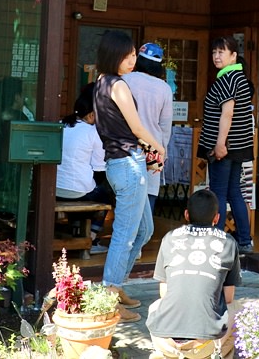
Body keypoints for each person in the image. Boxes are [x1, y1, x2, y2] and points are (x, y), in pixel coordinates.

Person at [92, 30, 167, 322]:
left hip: (121, 163)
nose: (133, 59)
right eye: (128, 55)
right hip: (128, 164)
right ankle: (109, 297)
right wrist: (158, 148)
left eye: (134, 54)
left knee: (144, 231)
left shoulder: (100, 83)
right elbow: (136, 128)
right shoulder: (118, 86)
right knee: (124, 235)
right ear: (114, 56)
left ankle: (117, 285)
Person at [146, 189, 241, 359]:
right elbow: (228, 297)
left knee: (154, 306)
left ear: (186, 215)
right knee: (238, 308)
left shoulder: (169, 238)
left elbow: (164, 293)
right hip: (206, 344)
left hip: (166, 340)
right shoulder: (228, 242)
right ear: (217, 218)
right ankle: (217, 355)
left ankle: (166, 353)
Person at [196, 35, 255, 255]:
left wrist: (220, 144)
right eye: (214, 52)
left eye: (222, 52)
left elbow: (227, 113)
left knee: (219, 193)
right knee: (235, 192)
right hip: (238, 145)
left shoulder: (227, 79)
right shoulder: (238, 77)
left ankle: (219, 241)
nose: (216, 56)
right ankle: (245, 240)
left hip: (225, 146)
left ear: (233, 55)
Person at [55, 83, 114, 254]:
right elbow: (100, 168)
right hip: (78, 191)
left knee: (85, 187)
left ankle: (75, 228)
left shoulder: (60, 125)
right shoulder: (92, 133)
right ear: (91, 114)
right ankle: (92, 238)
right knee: (103, 195)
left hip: (55, 189)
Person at [124, 42, 174, 212]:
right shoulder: (164, 88)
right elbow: (165, 126)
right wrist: (163, 150)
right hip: (153, 146)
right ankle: (143, 236)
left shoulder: (125, 80)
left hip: (126, 144)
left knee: (126, 194)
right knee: (149, 193)